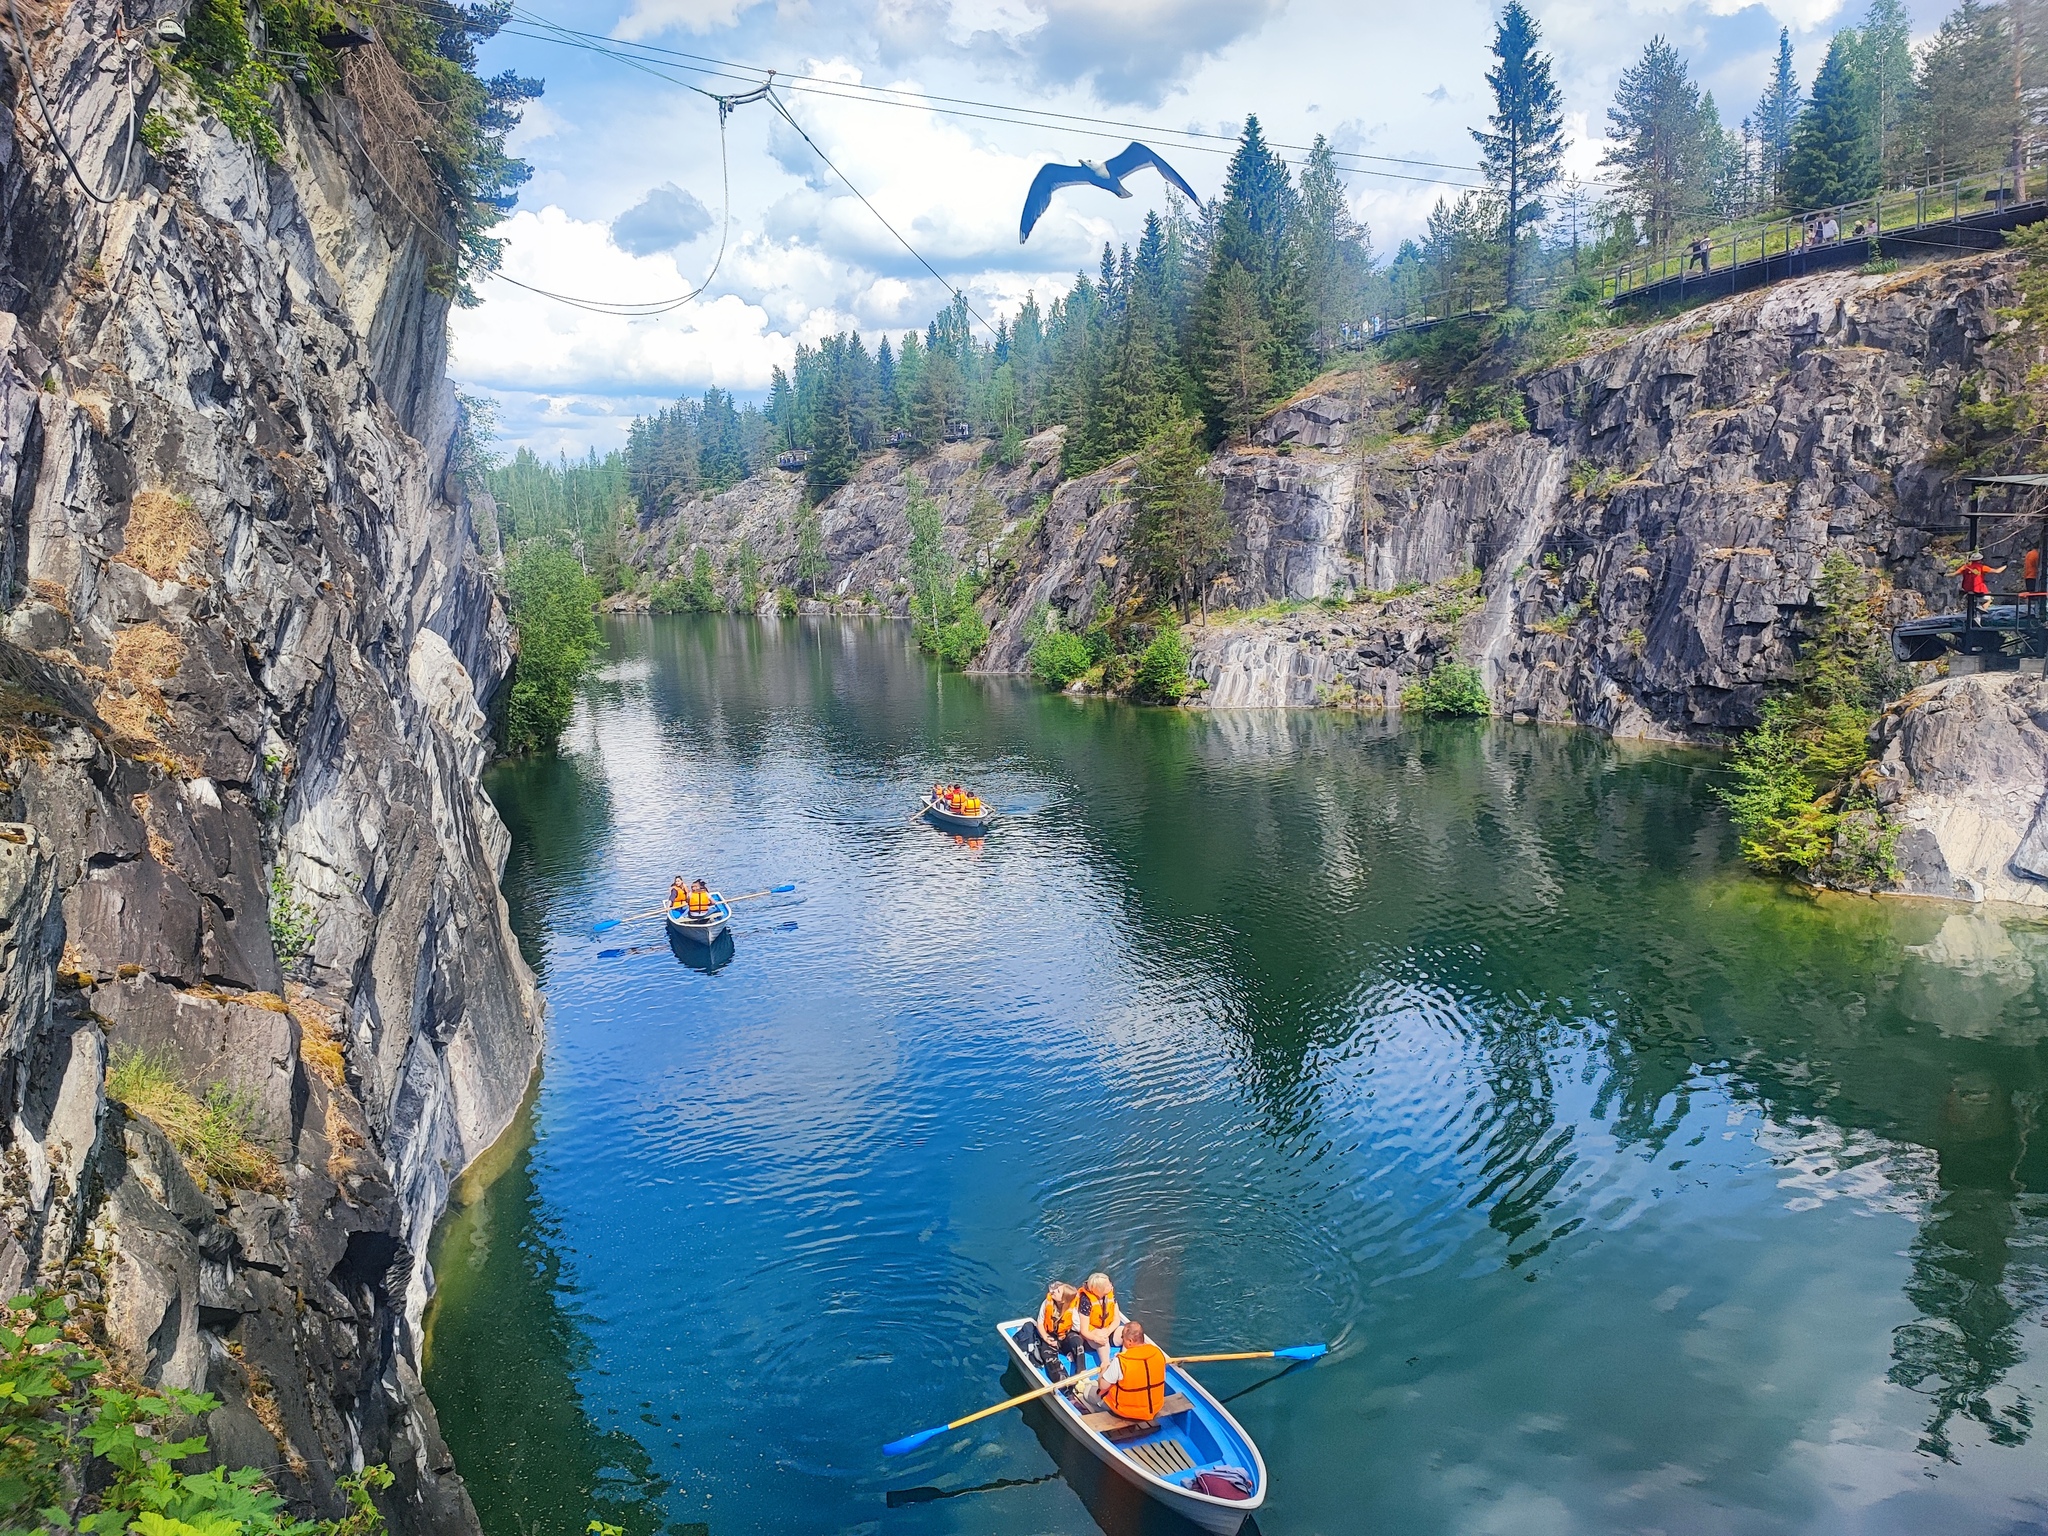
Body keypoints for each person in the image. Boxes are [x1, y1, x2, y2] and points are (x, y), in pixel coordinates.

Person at [1083, 1319, 1169, 1423]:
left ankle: (1102, 1413)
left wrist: (1104, 1369)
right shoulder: (1158, 1353)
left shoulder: (1121, 1361)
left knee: (1087, 1391)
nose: (1122, 1340)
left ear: (1130, 1342)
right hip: (1155, 1407)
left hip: (1127, 1411)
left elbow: (1103, 1386)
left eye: (1123, 1337)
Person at [1020, 1281, 1087, 1380]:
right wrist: (1046, 1339)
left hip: (1065, 1336)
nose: (1054, 1291)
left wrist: (1073, 1349)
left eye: (1058, 1291)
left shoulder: (1071, 1310)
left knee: (1077, 1341)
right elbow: (1040, 1323)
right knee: (1047, 1355)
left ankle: (1081, 1373)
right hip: (1050, 1335)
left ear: (1063, 1300)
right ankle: (1064, 1383)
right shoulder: (1047, 1303)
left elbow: (1080, 1330)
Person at [1073, 1272, 1124, 1363]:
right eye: (1108, 1285)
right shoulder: (1086, 1301)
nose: (1111, 1285)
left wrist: (1108, 1331)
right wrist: (1097, 1338)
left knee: (1128, 1331)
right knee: (1102, 1339)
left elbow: (1116, 1319)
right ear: (1100, 1289)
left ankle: (1125, 1359)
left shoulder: (1110, 1295)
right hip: (1092, 1336)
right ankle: (1106, 1365)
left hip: (1107, 1331)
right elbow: (1084, 1330)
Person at [1956, 551, 2006, 626]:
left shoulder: (1966, 568)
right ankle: (1982, 609)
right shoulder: (1981, 567)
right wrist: (2005, 566)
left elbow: (1957, 573)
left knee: (1974, 605)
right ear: (1979, 560)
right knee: (1989, 599)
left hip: (1969, 592)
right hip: (1978, 591)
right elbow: (1997, 571)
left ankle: (1976, 617)